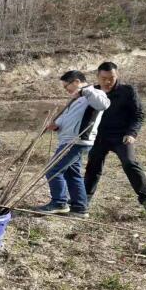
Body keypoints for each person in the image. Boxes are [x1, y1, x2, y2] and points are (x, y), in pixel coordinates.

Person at [84, 62, 146, 213]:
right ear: (98, 77)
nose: (107, 81)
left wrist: (132, 133)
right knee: (93, 165)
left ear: (116, 75)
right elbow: (84, 115)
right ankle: (84, 199)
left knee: (130, 163)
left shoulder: (128, 91)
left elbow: (138, 114)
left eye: (111, 78)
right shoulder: (92, 92)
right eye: (104, 78)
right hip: (99, 137)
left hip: (122, 136)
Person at [34, 70, 110, 218]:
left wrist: (85, 90)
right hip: (69, 140)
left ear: (76, 81)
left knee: (53, 170)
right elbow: (71, 117)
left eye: (66, 86)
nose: (66, 90)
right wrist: (56, 124)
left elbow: (103, 105)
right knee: (72, 173)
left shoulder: (94, 92)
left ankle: (59, 202)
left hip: (77, 141)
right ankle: (80, 207)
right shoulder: (77, 98)